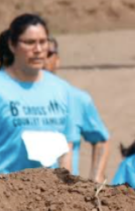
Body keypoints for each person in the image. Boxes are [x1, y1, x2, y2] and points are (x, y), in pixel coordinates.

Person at [0, 14, 73, 175]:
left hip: (49, 195)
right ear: (12, 45)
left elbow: (67, 146)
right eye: (29, 42)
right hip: (2, 192)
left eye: (43, 42)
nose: (38, 49)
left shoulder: (61, 89)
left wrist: (65, 191)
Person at [45, 37, 111, 182]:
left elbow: (101, 140)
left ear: (57, 60)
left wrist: (96, 179)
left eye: (48, 53)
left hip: (62, 193)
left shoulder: (76, 98)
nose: (42, 58)